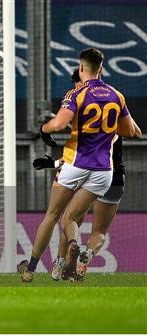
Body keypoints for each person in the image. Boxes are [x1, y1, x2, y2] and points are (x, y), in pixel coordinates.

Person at [19, 48, 139, 282]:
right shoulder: (117, 95)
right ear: (101, 68)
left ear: (81, 68)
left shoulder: (77, 94)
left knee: (53, 215)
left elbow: (58, 125)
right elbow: (131, 131)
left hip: (76, 163)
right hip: (105, 172)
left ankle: (32, 268)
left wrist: (45, 129)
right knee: (75, 217)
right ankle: (68, 257)